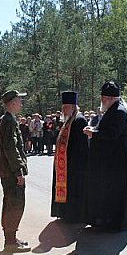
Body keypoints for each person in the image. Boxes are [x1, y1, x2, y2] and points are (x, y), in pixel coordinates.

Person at [83, 82, 127, 231]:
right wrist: (94, 129)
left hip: (116, 159)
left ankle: (115, 221)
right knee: (108, 188)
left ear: (110, 98)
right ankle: (106, 220)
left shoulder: (119, 111)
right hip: (110, 157)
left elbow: (113, 134)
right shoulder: (112, 109)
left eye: (103, 98)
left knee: (115, 189)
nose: (102, 101)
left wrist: (94, 133)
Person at [0, 90, 30, 252]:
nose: (21, 103)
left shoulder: (8, 119)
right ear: (12, 103)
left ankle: (11, 237)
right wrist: (18, 172)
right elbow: (11, 148)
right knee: (14, 204)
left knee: (11, 203)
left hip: (8, 171)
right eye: (19, 100)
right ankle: (10, 241)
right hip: (11, 172)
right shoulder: (8, 121)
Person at [51, 91, 89, 223]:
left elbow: (82, 145)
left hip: (75, 164)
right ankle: (64, 213)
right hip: (65, 163)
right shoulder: (68, 120)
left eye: (65, 107)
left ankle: (74, 215)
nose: (63, 110)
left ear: (73, 107)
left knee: (75, 189)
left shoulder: (79, 120)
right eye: (62, 108)